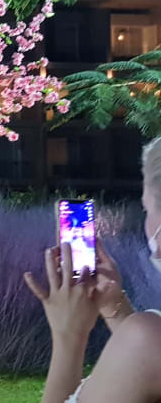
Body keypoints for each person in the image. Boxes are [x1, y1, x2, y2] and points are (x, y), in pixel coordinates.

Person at [24, 139, 161, 403]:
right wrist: (115, 308)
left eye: (148, 208)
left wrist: (69, 336)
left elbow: (148, 350)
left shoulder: (146, 340)